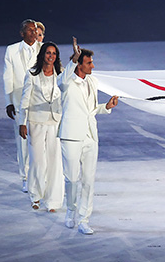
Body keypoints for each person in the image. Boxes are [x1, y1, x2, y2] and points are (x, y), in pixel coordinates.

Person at [58, 37, 118, 235]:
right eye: (89, 62)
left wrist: (106, 107)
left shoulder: (93, 81)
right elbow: (62, 80)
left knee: (89, 180)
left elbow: (91, 109)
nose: (93, 65)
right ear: (79, 64)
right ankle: (71, 211)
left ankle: (84, 219)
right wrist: (73, 59)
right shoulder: (66, 81)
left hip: (91, 136)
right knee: (72, 180)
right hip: (71, 135)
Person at [19, 42, 64, 212]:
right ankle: (35, 195)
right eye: (48, 53)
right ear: (42, 55)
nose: (51, 56)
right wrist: (22, 122)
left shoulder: (60, 74)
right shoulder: (32, 74)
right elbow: (25, 99)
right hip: (35, 122)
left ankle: (52, 201)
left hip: (55, 122)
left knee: (54, 161)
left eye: (53, 53)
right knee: (37, 161)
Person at [3, 19, 43, 192]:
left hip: (40, 102)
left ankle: (41, 176)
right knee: (23, 142)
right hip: (20, 102)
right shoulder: (12, 50)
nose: (34, 33)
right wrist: (9, 102)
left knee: (41, 140)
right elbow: (8, 77)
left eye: (35, 30)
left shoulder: (43, 49)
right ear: (22, 33)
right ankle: (25, 177)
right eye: (30, 30)